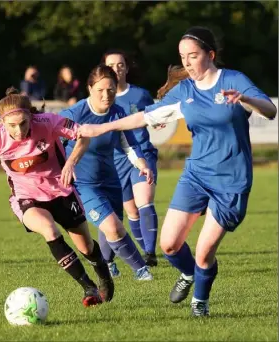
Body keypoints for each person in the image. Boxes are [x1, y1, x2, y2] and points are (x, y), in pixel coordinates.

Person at [78, 27, 277, 316]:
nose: (186, 62)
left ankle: (200, 303)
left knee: (204, 253)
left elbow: (270, 110)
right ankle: (188, 275)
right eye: (182, 57)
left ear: (210, 55)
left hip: (232, 180)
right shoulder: (184, 91)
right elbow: (145, 117)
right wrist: (103, 127)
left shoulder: (233, 80)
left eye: (193, 56)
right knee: (169, 245)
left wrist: (245, 100)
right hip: (196, 176)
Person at [0, 87, 114, 308]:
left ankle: (103, 274)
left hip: (62, 192)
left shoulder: (48, 122)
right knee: (49, 231)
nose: (19, 130)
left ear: (31, 116)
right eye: (12, 126)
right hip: (27, 197)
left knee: (87, 247)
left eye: (23, 123)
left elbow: (83, 136)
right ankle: (88, 287)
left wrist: (71, 162)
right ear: (2, 123)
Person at [59, 64, 154, 281]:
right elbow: (54, 142)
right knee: (112, 226)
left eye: (111, 89)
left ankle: (108, 265)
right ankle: (142, 270)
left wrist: (142, 165)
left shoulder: (117, 112)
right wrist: (66, 166)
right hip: (83, 184)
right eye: (100, 90)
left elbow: (129, 144)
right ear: (89, 88)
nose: (106, 95)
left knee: (110, 229)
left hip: (111, 180)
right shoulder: (74, 113)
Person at [101, 49, 159, 270]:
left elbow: (152, 115)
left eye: (120, 65)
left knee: (144, 200)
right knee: (130, 211)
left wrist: (155, 121)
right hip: (116, 159)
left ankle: (150, 253)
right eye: (111, 65)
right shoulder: (100, 98)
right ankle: (133, 254)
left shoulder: (140, 95)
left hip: (142, 153)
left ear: (126, 68)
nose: (116, 69)